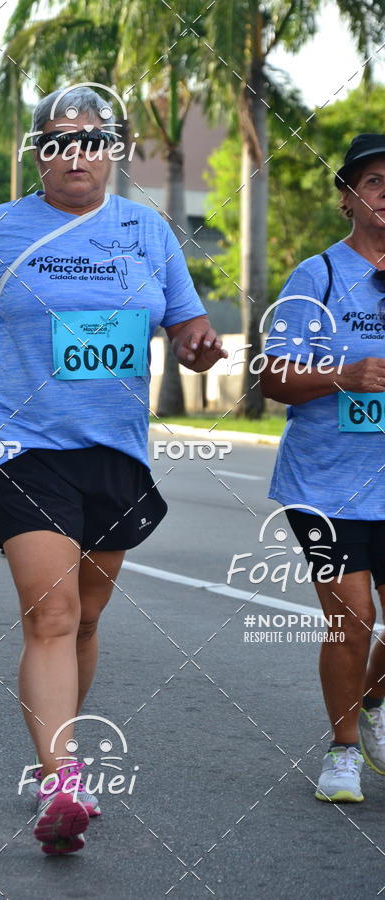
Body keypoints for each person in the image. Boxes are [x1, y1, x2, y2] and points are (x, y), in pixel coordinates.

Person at [0, 86, 226, 854]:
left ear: (113, 149)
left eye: (90, 140)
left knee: (86, 615)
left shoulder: (149, 234)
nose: (74, 154)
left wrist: (200, 344)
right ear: (38, 154)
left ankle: (64, 764)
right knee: (49, 615)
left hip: (115, 451)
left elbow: (187, 320)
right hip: (27, 447)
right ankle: (61, 780)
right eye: (57, 142)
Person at [261, 133, 385, 803]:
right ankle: (342, 752)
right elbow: (272, 378)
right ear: (347, 198)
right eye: (373, 181)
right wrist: (345, 374)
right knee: (354, 620)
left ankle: (371, 704)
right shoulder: (319, 277)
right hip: (327, 483)